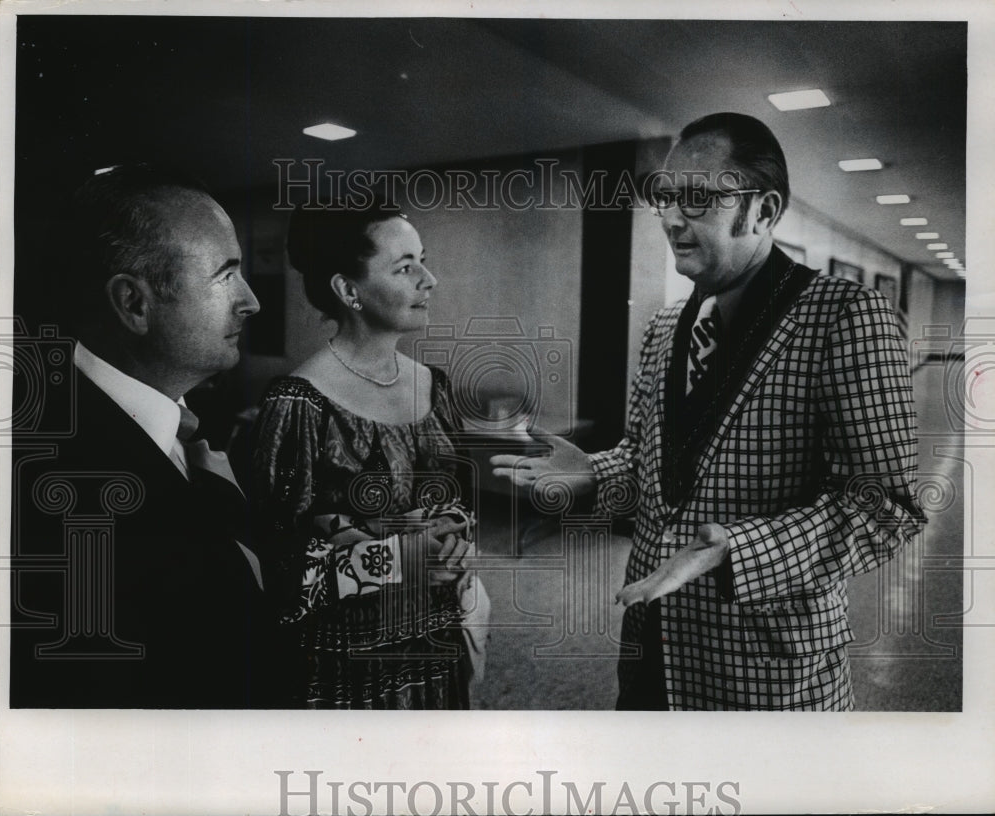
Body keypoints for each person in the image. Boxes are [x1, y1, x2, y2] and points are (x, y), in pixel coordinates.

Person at [493, 112, 926, 711]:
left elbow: (888, 507)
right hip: (650, 645)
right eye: (664, 197)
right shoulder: (667, 324)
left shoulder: (847, 318)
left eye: (697, 199)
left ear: (764, 210)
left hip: (767, 673)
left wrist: (737, 550)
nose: (672, 218)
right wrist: (598, 470)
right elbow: (650, 456)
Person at [10, 163, 277, 708]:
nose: (252, 301)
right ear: (134, 303)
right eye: (225, 275)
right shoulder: (68, 506)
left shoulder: (179, 417)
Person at [252, 198, 485, 709]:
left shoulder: (435, 386)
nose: (430, 280)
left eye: (423, 260)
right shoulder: (298, 404)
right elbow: (280, 572)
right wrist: (398, 560)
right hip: (349, 669)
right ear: (347, 289)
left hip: (435, 643)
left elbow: (458, 504)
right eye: (405, 267)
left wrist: (458, 542)